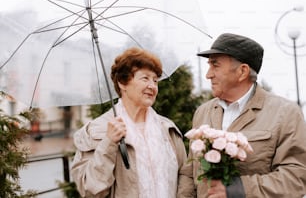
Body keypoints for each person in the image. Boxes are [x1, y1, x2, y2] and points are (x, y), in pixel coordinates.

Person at [177, 33, 306, 198]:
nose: (208, 74)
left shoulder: (286, 113)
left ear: (242, 71)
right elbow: (190, 172)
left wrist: (235, 190)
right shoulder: (203, 112)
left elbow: (296, 178)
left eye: (215, 65)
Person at [71, 47, 187, 197]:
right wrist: (109, 143)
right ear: (122, 83)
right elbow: (89, 190)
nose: (152, 86)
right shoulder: (96, 131)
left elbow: (185, 173)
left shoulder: (167, 128)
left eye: (155, 80)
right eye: (145, 78)